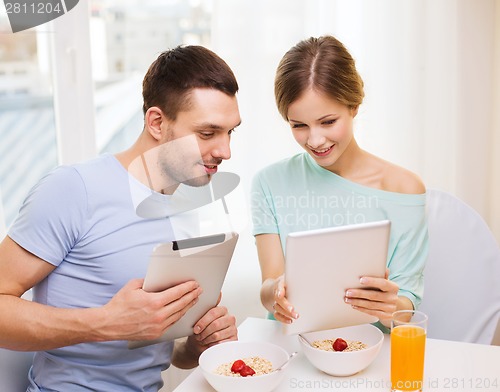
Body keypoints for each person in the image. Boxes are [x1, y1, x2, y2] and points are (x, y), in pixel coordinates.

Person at [0, 45, 242, 391]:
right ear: (157, 122)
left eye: (230, 132)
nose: (225, 151)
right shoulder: (74, 189)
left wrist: (195, 346)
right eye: (207, 133)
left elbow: (162, 348)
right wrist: (105, 323)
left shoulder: (186, 207)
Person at [252, 35, 428, 331]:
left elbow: (406, 307)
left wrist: (388, 306)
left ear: (354, 106)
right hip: (291, 349)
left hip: (369, 351)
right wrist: (276, 294)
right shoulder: (269, 182)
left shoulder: (405, 189)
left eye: (328, 121)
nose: (315, 140)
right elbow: (268, 287)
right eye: (299, 125)